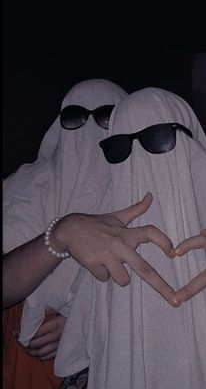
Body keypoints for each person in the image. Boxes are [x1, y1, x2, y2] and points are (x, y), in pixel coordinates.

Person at [52, 87, 206, 389]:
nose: (138, 159)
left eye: (158, 138)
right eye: (118, 147)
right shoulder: (102, 233)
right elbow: (77, 347)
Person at [3, 79, 179, 388]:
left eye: (105, 117)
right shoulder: (27, 188)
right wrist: (60, 235)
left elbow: (164, 293)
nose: (88, 129)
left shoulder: (144, 192)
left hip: (117, 360)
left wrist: (81, 325)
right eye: (75, 117)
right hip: (24, 355)